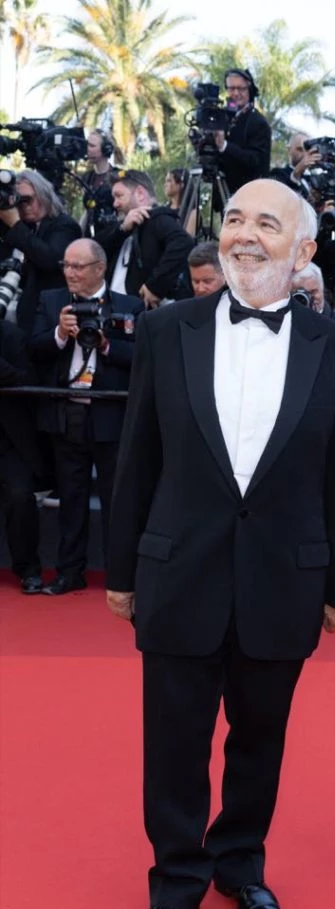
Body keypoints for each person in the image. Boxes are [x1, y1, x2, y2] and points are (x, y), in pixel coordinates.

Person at [105, 178, 335, 909]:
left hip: (283, 578)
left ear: (305, 250)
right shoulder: (166, 331)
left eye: (266, 223)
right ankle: (175, 883)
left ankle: (240, 863)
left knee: (261, 736)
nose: (245, 235)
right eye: (233, 220)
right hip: (178, 569)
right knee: (174, 741)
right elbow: (137, 459)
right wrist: (121, 568)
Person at [29, 239, 143, 595]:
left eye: (78, 266)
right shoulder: (51, 301)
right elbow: (33, 350)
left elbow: (142, 358)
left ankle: (119, 573)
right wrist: (60, 334)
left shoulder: (129, 306)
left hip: (110, 411)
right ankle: (69, 571)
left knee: (115, 498)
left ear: (100, 268)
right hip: (67, 410)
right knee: (71, 498)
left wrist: (106, 345)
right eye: (66, 265)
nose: (70, 273)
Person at [96, 170, 193, 309]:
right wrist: (122, 229)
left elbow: (183, 242)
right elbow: (94, 248)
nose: (115, 204)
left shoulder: (159, 219)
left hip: (142, 314)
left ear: (140, 194)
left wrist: (155, 286)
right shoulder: (121, 226)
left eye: (119, 196)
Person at [0, 170, 81, 333]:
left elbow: (50, 258)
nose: (23, 206)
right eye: (18, 201)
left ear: (44, 195)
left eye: (27, 199)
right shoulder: (19, 227)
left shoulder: (64, 225)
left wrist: (15, 225)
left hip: (44, 320)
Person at [0, 318, 43, 593]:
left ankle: (28, 568)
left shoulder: (12, 335)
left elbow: (29, 379)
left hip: (9, 441)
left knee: (20, 495)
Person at [214, 69, 272, 195]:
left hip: (249, 194)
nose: (236, 93)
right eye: (231, 88)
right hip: (222, 192)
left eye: (241, 89)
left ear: (249, 90)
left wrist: (225, 146)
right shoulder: (222, 117)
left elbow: (255, 161)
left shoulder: (258, 122)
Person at [270, 132, 321, 198]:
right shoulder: (277, 173)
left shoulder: (313, 180)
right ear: (289, 150)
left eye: (307, 150)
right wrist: (296, 174)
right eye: (300, 149)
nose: (304, 154)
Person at [163, 167, 197, 239]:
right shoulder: (164, 210)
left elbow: (186, 241)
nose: (165, 184)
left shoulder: (192, 212)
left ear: (181, 184)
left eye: (169, 181)